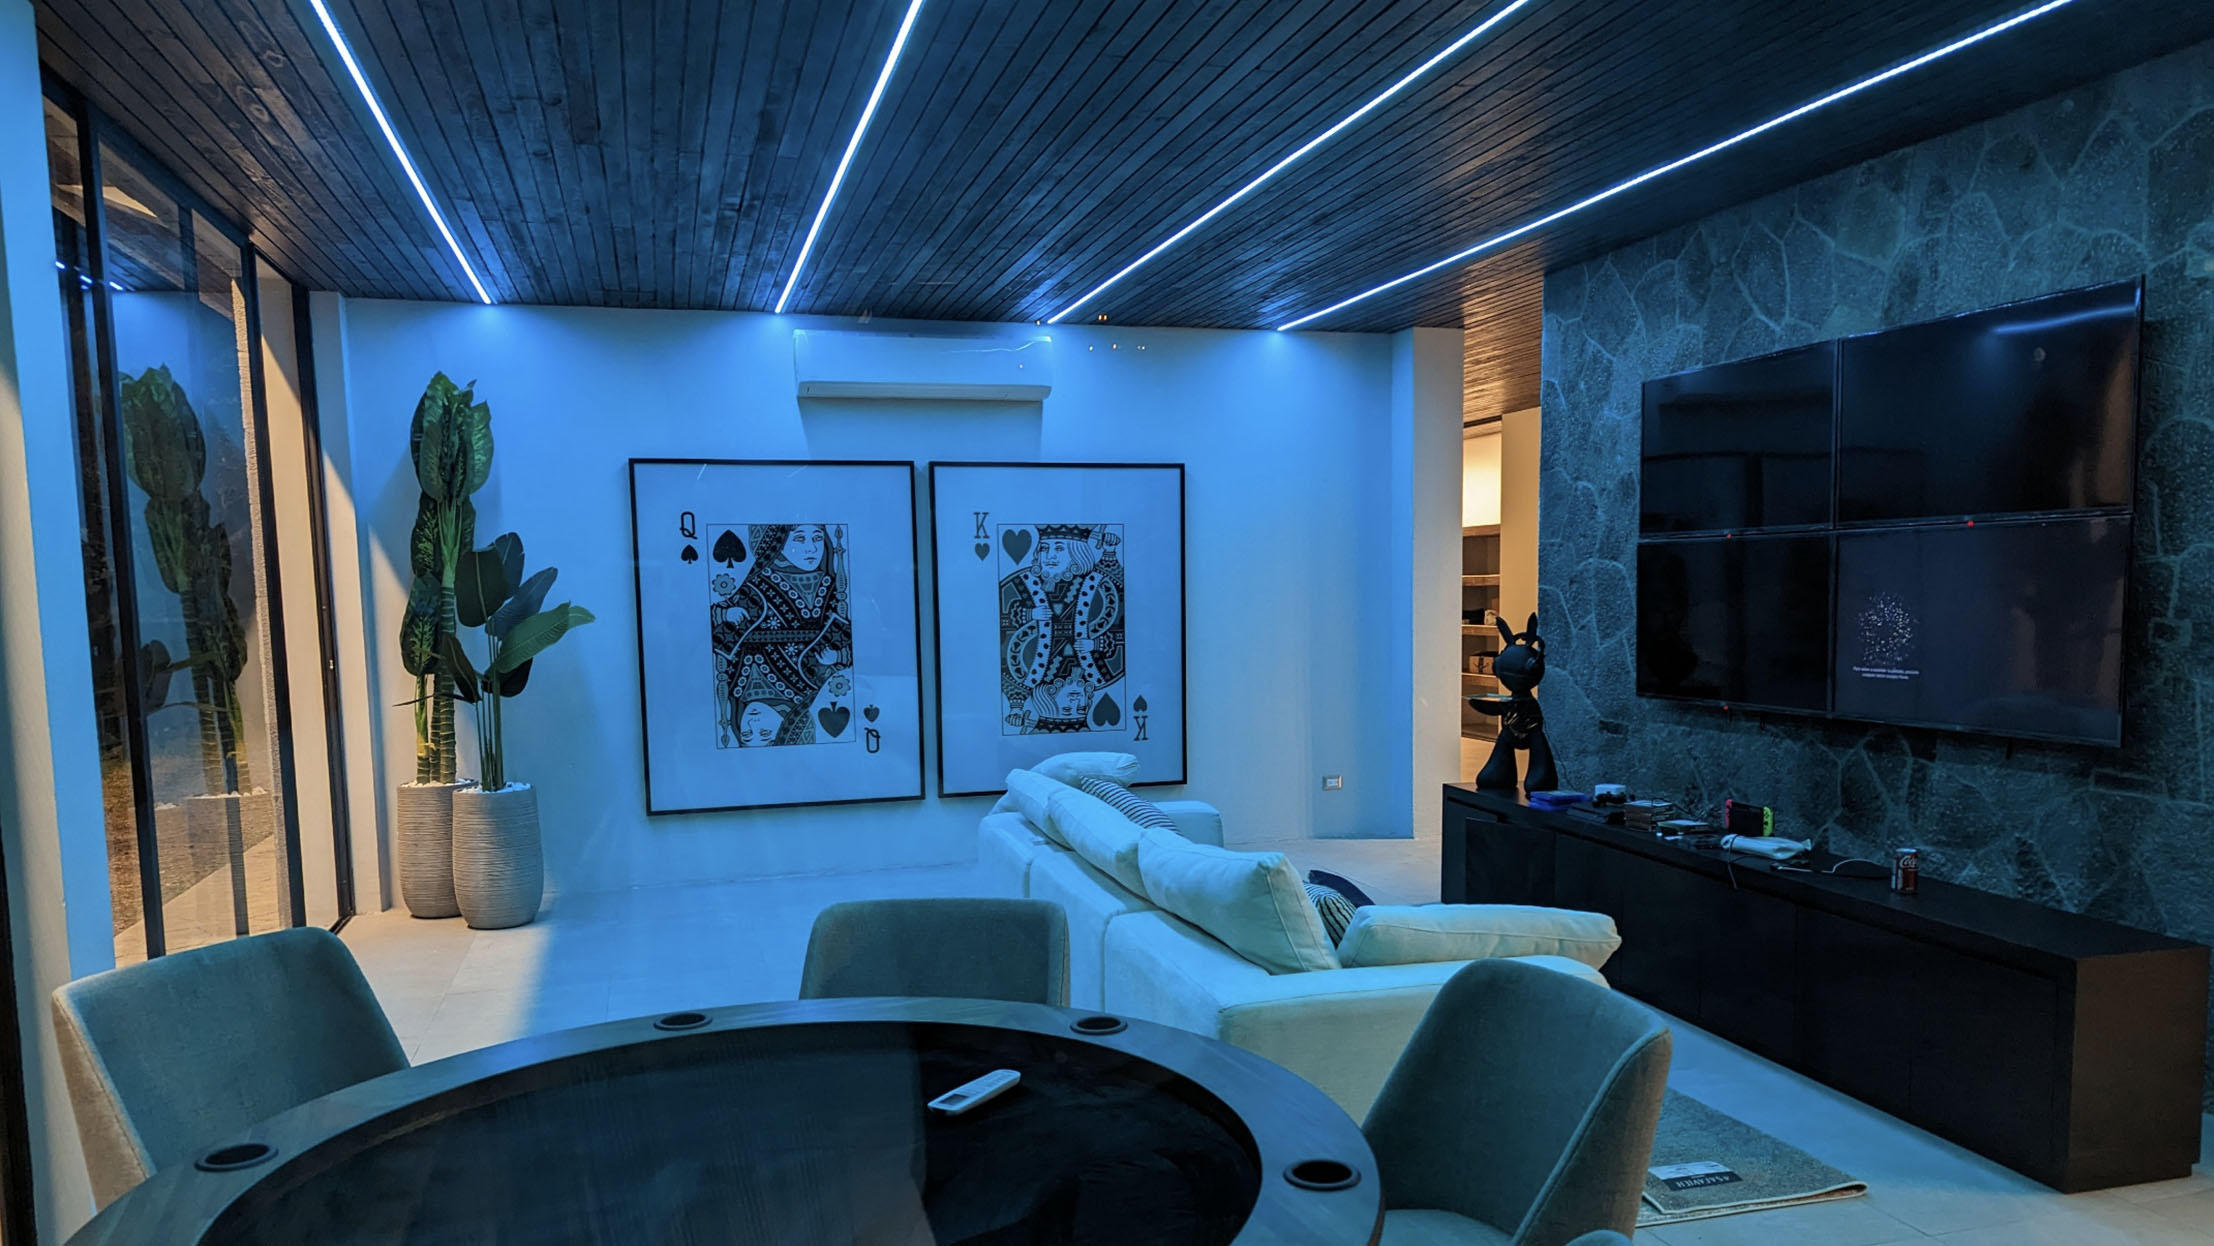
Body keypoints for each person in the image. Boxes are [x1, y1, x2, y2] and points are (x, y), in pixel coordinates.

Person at [711, 524, 853, 747]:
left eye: (817, 538)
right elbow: (710, 622)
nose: (811, 549)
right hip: (792, 680)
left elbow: (849, 636)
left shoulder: (830, 586)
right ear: (778, 544)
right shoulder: (758, 584)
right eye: (799, 539)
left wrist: (726, 613)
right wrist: (838, 657)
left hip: (778, 679)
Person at [998, 524, 1125, 734]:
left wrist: (1094, 643)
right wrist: (1030, 614)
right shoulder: (1024, 582)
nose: (1050, 556)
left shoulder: (1096, 582)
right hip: (1046, 673)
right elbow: (1004, 626)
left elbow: (1121, 620)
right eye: (1044, 548)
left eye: (1058, 549)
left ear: (1078, 553)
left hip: (1078, 669)